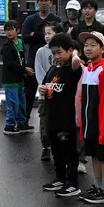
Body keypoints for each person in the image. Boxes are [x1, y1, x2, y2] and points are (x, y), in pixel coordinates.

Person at [78, 31, 104, 204]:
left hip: (102, 124)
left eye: (93, 45)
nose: (88, 48)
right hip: (90, 123)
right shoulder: (89, 68)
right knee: (94, 155)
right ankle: (98, 186)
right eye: (86, 45)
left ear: (103, 49)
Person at [40, 33, 83, 197]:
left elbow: (77, 61)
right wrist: (42, 89)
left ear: (70, 51)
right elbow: (45, 85)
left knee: (69, 151)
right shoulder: (53, 69)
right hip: (52, 115)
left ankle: (72, 183)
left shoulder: (74, 68)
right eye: (53, 53)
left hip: (67, 117)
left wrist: (74, 54)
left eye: (60, 52)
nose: (56, 56)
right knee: (56, 150)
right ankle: (60, 178)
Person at [21, 0, 59, 124]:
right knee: (29, 92)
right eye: (41, 0)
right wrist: (43, 36)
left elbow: (60, 36)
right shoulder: (30, 19)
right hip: (33, 59)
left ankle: (53, 121)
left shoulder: (56, 19)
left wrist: (34, 35)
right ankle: (24, 120)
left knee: (54, 90)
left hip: (53, 60)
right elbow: (25, 37)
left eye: (47, 0)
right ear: (37, 3)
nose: (44, 3)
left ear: (51, 3)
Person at [35, 22, 64, 162]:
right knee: (45, 120)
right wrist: (44, 86)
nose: (46, 36)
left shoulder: (64, 50)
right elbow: (39, 71)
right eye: (45, 33)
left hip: (61, 91)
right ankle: (45, 147)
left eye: (49, 33)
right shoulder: (41, 51)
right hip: (45, 92)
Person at [1, 20, 30, 135]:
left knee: (22, 102)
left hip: (20, 79)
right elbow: (9, 64)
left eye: (11, 29)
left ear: (17, 31)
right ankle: (10, 125)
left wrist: (23, 70)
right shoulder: (6, 47)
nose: (8, 32)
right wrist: (24, 70)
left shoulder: (21, 43)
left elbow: (22, 60)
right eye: (6, 30)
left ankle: (22, 123)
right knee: (13, 104)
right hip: (10, 80)